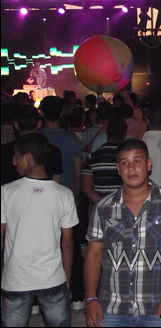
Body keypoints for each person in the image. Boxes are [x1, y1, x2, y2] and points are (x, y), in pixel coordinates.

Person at [84, 139, 161, 327]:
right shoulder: (103, 207)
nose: (131, 168)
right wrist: (91, 298)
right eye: (124, 163)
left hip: (155, 306)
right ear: (118, 168)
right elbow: (93, 255)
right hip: (112, 307)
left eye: (137, 161)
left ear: (148, 164)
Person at [1, 132, 78, 327]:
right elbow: (68, 243)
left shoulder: (7, 192)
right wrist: (67, 276)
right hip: (52, 277)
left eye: (16, 156)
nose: (13, 162)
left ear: (28, 158)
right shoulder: (64, 194)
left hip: (16, 279)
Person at [39, 95, 86, 311]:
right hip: (66, 197)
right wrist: (74, 198)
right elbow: (77, 175)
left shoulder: (36, 139)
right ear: (61, 113)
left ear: (42, 113)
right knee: (71, 247)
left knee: (42, 246)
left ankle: (38, 298)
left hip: (39, 200)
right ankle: (77, 295)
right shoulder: (72, 140)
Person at [1, 105, 63, 186]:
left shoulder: (4, 150)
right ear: (39, 124)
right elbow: (56, 182)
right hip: (44, 193)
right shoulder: (53, 151)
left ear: (16, 125)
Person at [81, 117, 127, 203]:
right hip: (125, 206)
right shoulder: (129, 158)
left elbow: (86, 188)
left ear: (106, 132)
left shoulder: (92, 157)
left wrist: (103, 203)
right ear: (125, 135)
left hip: (99, 206)